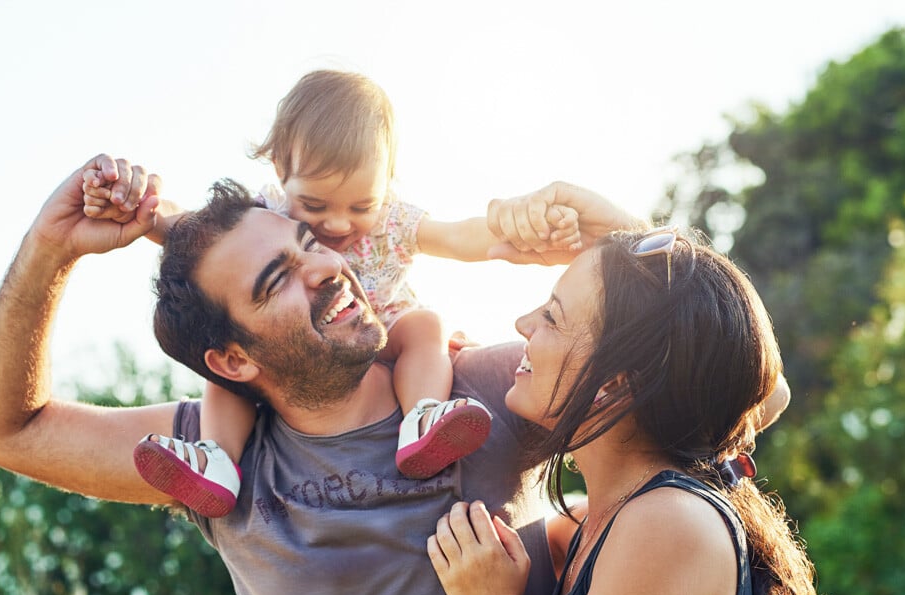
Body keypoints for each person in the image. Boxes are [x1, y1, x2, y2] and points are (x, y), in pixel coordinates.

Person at [0, 153, 583, 595]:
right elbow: (0, 428)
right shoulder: (216, 463)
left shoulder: (488, 394)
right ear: (232, 362)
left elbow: (665, 349)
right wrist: (50, 246)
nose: (326, 267)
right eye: (277, 279)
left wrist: (602, 228)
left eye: (309, 242)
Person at [427, 185, 825, 595]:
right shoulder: (615, 515)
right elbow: (752, 383)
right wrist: (632, 248)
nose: (522, 322)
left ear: (617, 383)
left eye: (553, 317)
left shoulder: (666, 525)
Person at [81, 69, 581, 517]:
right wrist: (132, 202)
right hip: (303, 347)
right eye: (315, 204)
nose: (339, 224)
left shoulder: (392, 221)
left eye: (362, 204)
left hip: (381, 329)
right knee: (234, 368)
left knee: (426, 326)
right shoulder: (266, 216)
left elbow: (456, 236)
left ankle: (424, 417)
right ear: (280, 169)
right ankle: (217, 459)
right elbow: (183, 225)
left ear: (387, 184)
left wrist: (517, 234)